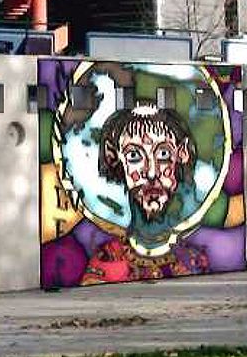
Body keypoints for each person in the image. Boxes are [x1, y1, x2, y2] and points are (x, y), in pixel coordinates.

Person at [81, 105, 211, 284]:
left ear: (182, 153)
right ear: (113, 158)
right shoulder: (107, 261)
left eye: (163, 154)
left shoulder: (193, 261)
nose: (151, 172)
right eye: (134, 155)